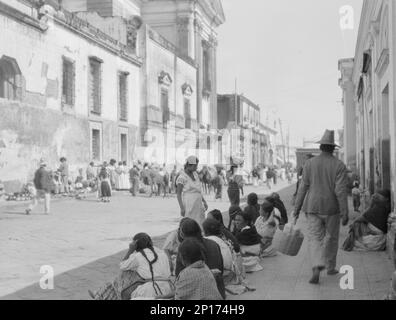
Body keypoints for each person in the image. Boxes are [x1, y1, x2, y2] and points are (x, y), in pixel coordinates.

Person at [293, 130, 349, 284]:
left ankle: (317, 264)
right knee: (332, 238)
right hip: (332, 208)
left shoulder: (310, 164)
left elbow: (302, 188)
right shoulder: (339, 165)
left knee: (315, 239)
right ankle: (330, 267)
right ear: (332, 148)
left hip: (312, 207)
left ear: (321, 147)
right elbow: (340, 191)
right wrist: (345, 212)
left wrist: (296, 210)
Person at [89, 233, 173, 300]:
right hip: (168, 287)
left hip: (149, 289)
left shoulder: (137, 256)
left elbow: (122, 265)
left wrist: (130, 250)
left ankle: (101, 295)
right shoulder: (162, 253)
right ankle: (101, 294)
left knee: (123, 275)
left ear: (135, 245)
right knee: (124, 277)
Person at [176, 156, 208, 226]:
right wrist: (182, 208)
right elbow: (178, 194)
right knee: (190, 223)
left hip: (198, 204)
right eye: (195, 166)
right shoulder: (182, 177)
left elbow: (198, 190)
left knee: (200, 222)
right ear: (189, 165)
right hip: (189, 204)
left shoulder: (195, 174)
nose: (196, 168)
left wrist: (204, 201)